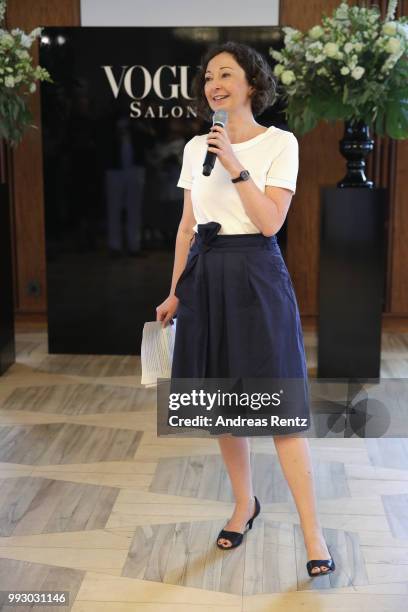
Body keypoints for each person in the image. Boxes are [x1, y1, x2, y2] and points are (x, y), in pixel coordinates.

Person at [156, 41, 335, 577]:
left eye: (226, 73)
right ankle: (243, 504)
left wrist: (235, 164)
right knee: (220, 405)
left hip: (257, 275)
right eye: (209, 75)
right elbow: (188, 226)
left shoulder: (281, 143)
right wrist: (175, 291)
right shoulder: (194, 148)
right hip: (206, 278)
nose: (214, 83)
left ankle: (313, 533)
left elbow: (270, 222)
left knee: (279, 406)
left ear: (252, 83)